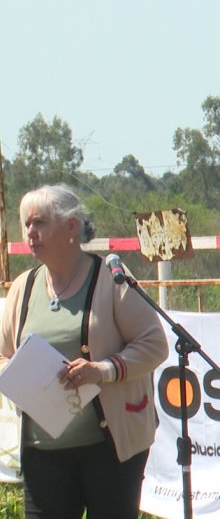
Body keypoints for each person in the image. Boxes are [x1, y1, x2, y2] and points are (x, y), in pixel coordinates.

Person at [0, 184, 168, 518]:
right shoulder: (24, 286)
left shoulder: (111, 279)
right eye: (27, 225)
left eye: (40, 223)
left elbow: (155, 345)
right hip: (42, 453)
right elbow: (3, 354)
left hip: (110, 451)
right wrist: (17, 377)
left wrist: (103, 370)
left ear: (71, 226)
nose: (31, 233)